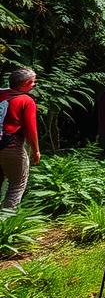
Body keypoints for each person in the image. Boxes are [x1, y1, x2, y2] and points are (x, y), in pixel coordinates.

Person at [0, 67, 40, 210]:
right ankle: (5, 222)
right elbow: (31, 130)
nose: (34, 85)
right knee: (17, 185)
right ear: (26, 83)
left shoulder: (2, 94)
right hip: (10, 146)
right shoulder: (25, 100)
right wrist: (36, 150)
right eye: (33, 83)